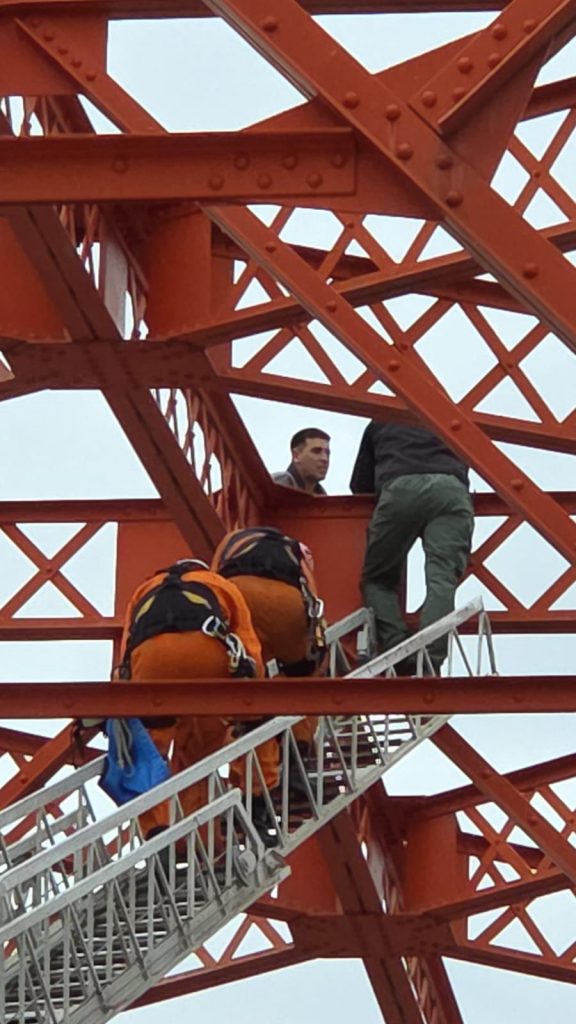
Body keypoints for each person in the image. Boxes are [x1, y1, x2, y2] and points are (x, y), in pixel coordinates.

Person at [115, 559, 278, 842]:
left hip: (152, 664)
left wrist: (127, 702)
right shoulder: (220, 584)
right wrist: (253, 691)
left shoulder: (144, 591)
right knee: (251, 724)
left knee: (148, 745)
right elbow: (247, 641)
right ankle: (255, 806)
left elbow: (126, 651)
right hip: (209, 655)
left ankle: (158, 832)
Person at [350, 421, 474, 673]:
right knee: (442, 578)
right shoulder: (451, 417)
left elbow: (359, 485)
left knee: (377, 580)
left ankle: (397, 647)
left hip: (400, 488)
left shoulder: (380, 421)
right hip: (451, 489)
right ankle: (429, 656)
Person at [212, 527, 327, 785]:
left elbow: (214, 586)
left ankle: (244, 779)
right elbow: (312, 599)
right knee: (304, 674)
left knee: (244, 684)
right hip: (288, 603)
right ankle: (298, 754)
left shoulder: (231, 541)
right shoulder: (297, 549)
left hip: (239, 594)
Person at [272, 428, 330, 495]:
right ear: (296, 455)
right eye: (316, 451)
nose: (325, 459)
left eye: (327, 453)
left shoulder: (324, 498)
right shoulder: (275, 486)